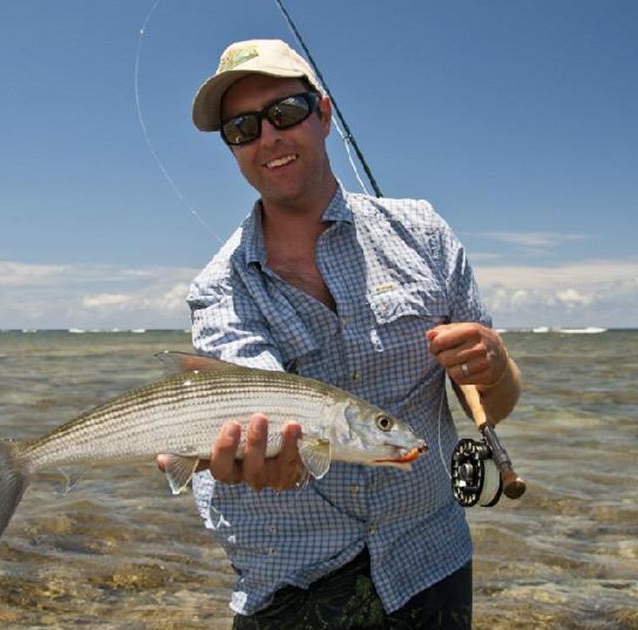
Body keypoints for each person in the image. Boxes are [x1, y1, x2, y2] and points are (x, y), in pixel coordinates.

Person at [157, 38, 522, 628]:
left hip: (432, 558)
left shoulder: (422, 234)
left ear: (324, 113)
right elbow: (260, 408)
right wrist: (250, 452)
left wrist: (497, 365)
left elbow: (493, 405)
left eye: (284, 113)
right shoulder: (219, 289)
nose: (267, 138)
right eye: (242, 129)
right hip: (296, 584)